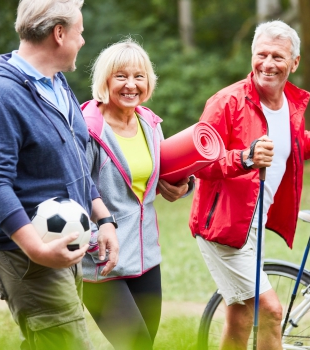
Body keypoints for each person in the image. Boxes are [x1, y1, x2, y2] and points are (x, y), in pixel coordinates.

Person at [189, 20, 310, 349]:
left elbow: (289, 145)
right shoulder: (227, 102)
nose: (267, 63)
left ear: (294, 63)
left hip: (254, 224)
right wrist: (245, 158)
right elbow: (199, 162)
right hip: (223, 228)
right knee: (270, 311)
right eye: (261, 54)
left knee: (239, 317)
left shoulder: (291, 105)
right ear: (251, 55)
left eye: (278, 57)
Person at [0, 1, 119, 349]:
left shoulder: (56, 84)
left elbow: (75, 161)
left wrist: (104, 218)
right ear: (59, 33)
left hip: (61, 244)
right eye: (79, 32)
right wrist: (36, 249)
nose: (83, 41)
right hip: (27, 254)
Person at [80, 38, 194, 350]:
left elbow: (162, 173)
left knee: (145, 345)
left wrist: (185, 185)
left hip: (146, 260)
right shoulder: (88, 129)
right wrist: (91, 241)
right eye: (121, 76)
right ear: (105, 80)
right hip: (102, 261)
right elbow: (73, 189)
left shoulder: (149, 123)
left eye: (139, 76)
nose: (131, 85)